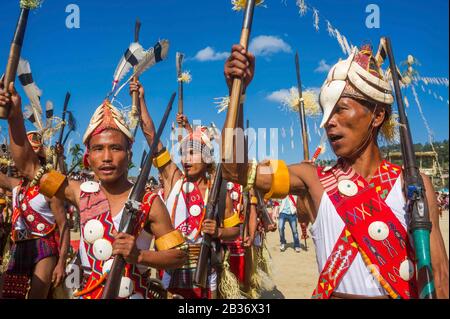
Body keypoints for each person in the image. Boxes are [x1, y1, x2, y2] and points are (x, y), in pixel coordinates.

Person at [221, 43, 449, 299]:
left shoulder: (415, 185)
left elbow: (439, 276)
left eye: (341, 109)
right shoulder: (313, 180)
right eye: (328, 111)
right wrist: (236, 95)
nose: (329, 121)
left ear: (377, 116)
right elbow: (233, 170)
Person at [0, 82, 187, 299]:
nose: (107, 157)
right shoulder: (80, 192)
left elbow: (178, 256)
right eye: (98, 149)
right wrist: (14, 118)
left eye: (116, 148)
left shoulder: (149, 201)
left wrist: (140, 255)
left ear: (129, 154)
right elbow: (30, 168)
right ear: (89, 156)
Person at [130, 80, 241, 299]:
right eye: (183, 153)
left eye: (193, 153)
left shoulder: (218, 191)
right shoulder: (173, 178)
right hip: (171, 271)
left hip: (207, 273)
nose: (185, 159)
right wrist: (141, 100)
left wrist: (218, 232)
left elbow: (235, 230)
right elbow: (152, 137)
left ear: (207, 158)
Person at [0, 132, 69, 299]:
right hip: (19, 247)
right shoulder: (17, 185)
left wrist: (61, 263)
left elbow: (64, 226)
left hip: (44, 246)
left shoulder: (49, 184)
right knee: (10, 296)